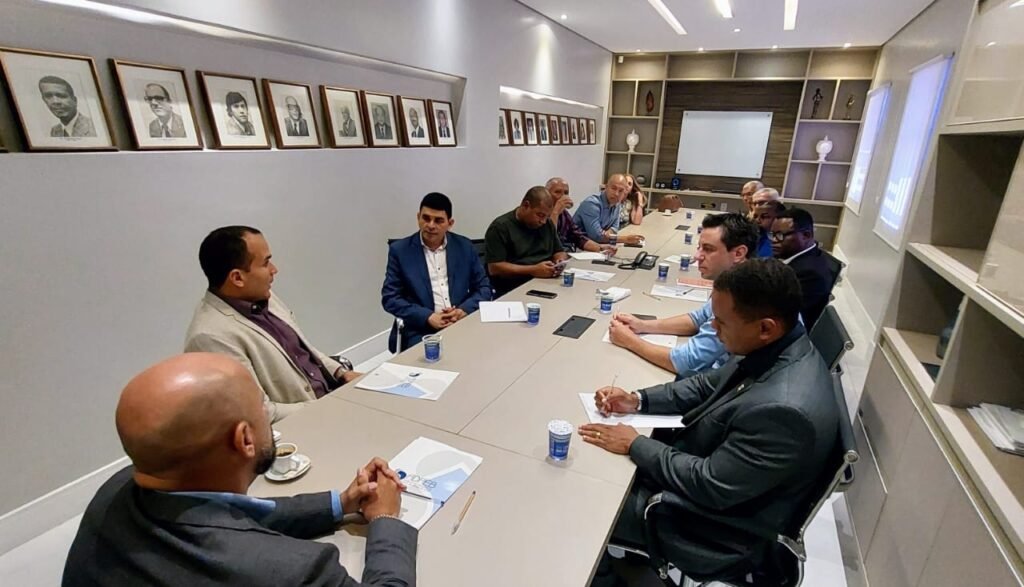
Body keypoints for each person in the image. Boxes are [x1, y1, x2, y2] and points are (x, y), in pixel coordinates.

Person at [582, 259, 839, 584]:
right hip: (715, 477)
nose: (712, 329)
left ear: (765, 327)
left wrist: (635, 443)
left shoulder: (785, 412)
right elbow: (707, 384)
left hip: (711, 527)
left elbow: (709, 485)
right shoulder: (779, 348)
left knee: (589, 490)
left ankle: (605, 579)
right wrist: (637, 400)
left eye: (720, 322)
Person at [62, 353, 416, 586]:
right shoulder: (287, 571)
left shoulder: (116, 490)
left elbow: (221, 515)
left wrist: (341, 502)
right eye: (262, 406)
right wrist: (386, 520)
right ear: (245, 439)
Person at [184, 226, 359, 422]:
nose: (274, 270)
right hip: (306, 422)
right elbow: (259, 413)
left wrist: (341, 373)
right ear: (237, 278)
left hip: (333, 399)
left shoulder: (262, 296)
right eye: (266, 263)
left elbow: (303, 351)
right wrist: (332, 404)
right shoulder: (211, 337)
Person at [609, 213, 758, 377]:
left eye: (708, 249)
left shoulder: (739, 296)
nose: (697, 256)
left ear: (739, 253)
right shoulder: (733, 280)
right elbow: (699, 317)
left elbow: (687, 362)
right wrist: (642, 325)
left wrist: (630, 341)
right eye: (699, 247)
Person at [382, 193, 492, 352]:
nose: (431, 225)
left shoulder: (464, 247)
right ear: (418, 217)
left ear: (450, 223)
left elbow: (484, 288)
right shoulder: (400, 251)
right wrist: (427, 317)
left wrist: (462, 311)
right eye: (426, 218)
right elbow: (390, 298)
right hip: (420, 328)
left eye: (438, 220)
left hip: (461, 321)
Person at [484, 186, 569, 297]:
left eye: (547, 216)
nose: (543, 221)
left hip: (547, 281)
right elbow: (494, 268)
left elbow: (559, 251)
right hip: (514, 287)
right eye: (540, 215)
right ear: (526, 205)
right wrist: (533, 270)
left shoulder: (547, 224)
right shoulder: (500, 227)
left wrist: (559, 262)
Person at [771, 208, 834, 327]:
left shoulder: (809, 274)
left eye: (780, 235)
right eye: (772, 235)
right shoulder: (805, 257)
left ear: (806, 235)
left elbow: (776, 312)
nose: (773, 240)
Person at [546, 177, 616, 255]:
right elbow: (548, 242)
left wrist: (600, 248)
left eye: (566, 193)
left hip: (565, 255)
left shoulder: (564, 214)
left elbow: (578, 237)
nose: (563, 196)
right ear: (547, 194)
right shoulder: (541, 215)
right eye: (557, 192)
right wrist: (555, 212)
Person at [573, 174, 644, 245]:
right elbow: (597, 237)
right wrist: (626, 239)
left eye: (621, 191)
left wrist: (605, 236)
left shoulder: (617, 203)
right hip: (575, 247)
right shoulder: (591, 204)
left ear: (625, 192)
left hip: (595, 245)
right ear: (606, 187)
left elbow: (615, 228)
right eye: (613, 188)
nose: (616, 194)